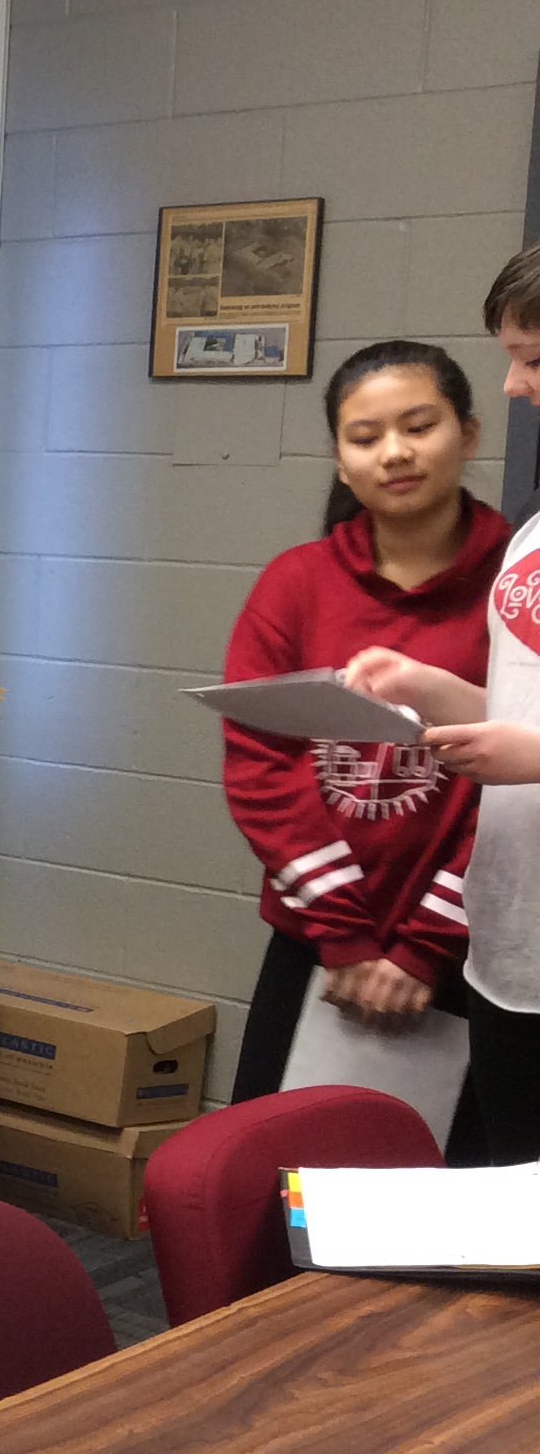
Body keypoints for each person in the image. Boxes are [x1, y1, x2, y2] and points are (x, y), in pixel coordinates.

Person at [221, 341, 503, 1127]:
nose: (396, 453)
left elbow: (517, 788)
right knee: (277, 1186)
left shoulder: (517, 586)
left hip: (468, 953)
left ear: (469, 435)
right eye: (366, 436)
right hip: (317, 941)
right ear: (341, 462)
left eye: (420, 426)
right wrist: (345, 937)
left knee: (443, 1216)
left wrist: (424, 947)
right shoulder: (295, 582)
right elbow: (260, 768)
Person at [347, 246, 540, 1165]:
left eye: (534, 359)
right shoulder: (537, 527)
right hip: (511, 952)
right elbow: (520, 710)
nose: (511, 385)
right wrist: (430, 689)